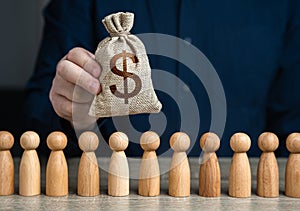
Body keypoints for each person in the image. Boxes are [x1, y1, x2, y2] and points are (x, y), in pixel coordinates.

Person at [22, 0, 300, 157]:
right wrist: (73, 116)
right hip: (113, 193)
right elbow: (38, 112)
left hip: (242, 194)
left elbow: (292, 125)